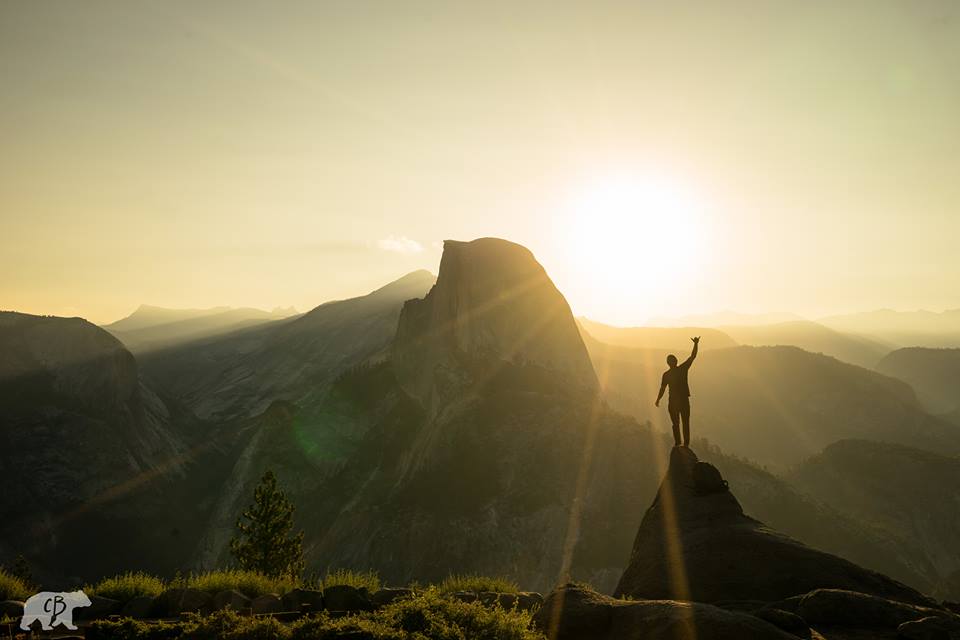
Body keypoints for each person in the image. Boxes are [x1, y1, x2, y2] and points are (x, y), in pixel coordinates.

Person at [655, 336, 700, 447]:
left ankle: (678, 443)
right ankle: (686, 444)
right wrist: (696, 344)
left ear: (668, 363)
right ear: (675, 361)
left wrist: (658, 400)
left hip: (673, 402)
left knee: (675, 423)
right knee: (685, 423)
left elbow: (662, 389)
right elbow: (693, 356)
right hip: (684, 400)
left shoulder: (666, 375)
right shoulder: (682, 369)